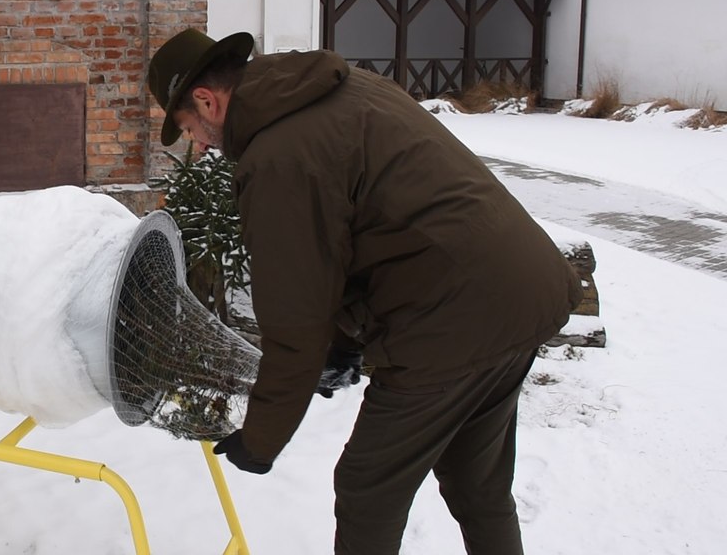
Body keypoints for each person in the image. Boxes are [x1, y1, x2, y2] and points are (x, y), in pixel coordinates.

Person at [146, 28, 583, 555]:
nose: (199, 145)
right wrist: (345, 344)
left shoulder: (281, 156)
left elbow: (295, 316)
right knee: (477, 483)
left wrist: (262, 439)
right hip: (521, 289)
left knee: (368, 488)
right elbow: (364, 233)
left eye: (191, 129)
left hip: (451, 319)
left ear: (207, 100)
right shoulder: (345, 89)